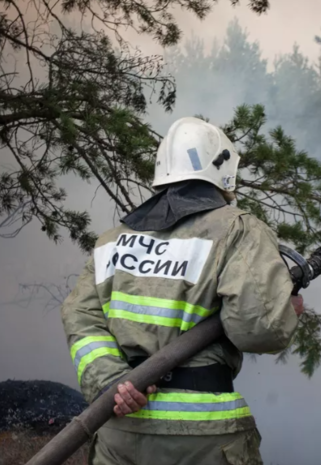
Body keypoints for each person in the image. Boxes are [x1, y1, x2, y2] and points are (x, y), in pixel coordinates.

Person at [60, 116, 304, 465]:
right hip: (205, 437)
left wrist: (112, 382)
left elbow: (80, 317)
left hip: (121, 430)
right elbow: (257, 330)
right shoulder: (237, 229)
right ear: (224, 170)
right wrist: (283, 310)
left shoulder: (112, 242)